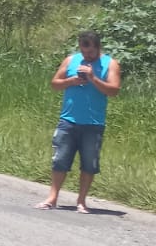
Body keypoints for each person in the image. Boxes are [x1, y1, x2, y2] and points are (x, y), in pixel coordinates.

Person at [36, 30, 121, 213]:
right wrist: (72, 81)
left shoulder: (110, 64)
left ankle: (81, 201)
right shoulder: (71, 60)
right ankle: (52, 197)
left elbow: (114, 90)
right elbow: (54, 84)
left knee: (89, 163)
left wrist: (93, 78)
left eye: (90, 53)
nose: (87, 56)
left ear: (98, 47)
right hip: (68, 120)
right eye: (84, 52)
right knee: (60, 159)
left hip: (93, 123)